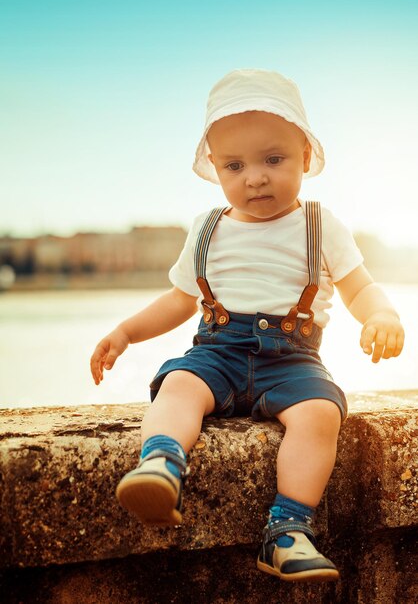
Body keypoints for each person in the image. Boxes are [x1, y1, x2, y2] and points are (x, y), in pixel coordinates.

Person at [90, 69, 404, 583]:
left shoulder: (321, 225)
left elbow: (359, 286)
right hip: (218, 349)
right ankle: (162, 464)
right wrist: (126, 332)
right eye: (235, 165)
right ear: (214, 168)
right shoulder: (208, 228)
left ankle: (286, 531)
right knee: (179, 386)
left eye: (273, 159)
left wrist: (382, 315)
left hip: (293, 360)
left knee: (321, 413)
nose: (254, 177)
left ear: (305, 156)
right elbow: (179, 298)